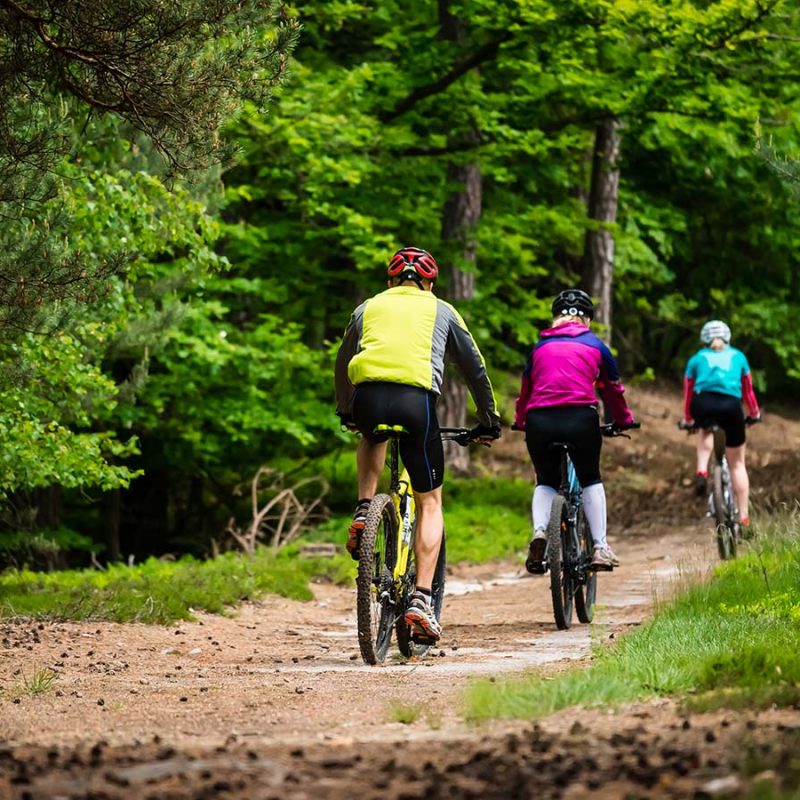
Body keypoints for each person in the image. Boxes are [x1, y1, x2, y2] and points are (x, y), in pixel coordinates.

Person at [335, 246, 501, 642]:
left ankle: (364, 508)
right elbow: (473, 367)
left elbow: (343, 361)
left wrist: (347, 411)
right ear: (429, 282)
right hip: (416, 404)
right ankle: (422, 601)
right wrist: (488, 419)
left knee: (370, 431)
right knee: (430, 502)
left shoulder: (367, 307)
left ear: (390, 281)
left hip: (368, 398)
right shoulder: (442, 309)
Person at [514, 289, 636, 572]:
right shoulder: (597, 346)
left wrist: (521, 422)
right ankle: (600, 547)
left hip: (539, 421)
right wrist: (623, 420)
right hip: (580, 418)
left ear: (555, 318)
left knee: (545, 480)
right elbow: (613, 390)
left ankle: (540, 532)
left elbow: (525, 391)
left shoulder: (539, 348)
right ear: (587, 319)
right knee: (591, 478)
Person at [683, 320, 761, 527]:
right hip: (731, 407)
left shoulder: (696, 359)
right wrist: (754, 414)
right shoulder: (739, 356)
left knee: (704, 431)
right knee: (737, 464)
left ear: (704, 340)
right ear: (728, 338)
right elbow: (748, 392)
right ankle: (743, 516)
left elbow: (688, 393)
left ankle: (702, 470)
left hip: (703, 404)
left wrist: (689, 419)